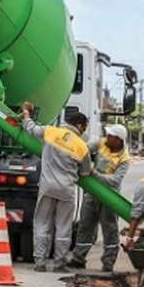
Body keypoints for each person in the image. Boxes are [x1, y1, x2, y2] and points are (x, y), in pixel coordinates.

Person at [21, 102, 91, 273]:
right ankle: (59, 264)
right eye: (84, 128)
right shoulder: (82, 146)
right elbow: (85, 172)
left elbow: (30, 128)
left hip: (47, 187)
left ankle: (40, 263)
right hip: (66, 190)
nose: (84, 132)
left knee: (42, 224)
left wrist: (26, 113)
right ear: (80, 126)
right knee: (63, 228)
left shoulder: (51, 131)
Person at [68, 124, 130, 272]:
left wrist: (95, 174)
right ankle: (78, 259)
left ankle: (108, 262)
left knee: (110, 228)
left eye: (110, 136)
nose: (107, 138)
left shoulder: (124, 159)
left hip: (109, 195)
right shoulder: (101, 143)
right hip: (92, 192)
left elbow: (115, 180)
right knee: (85, 225)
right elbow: (83, 150)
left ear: (119, 140)